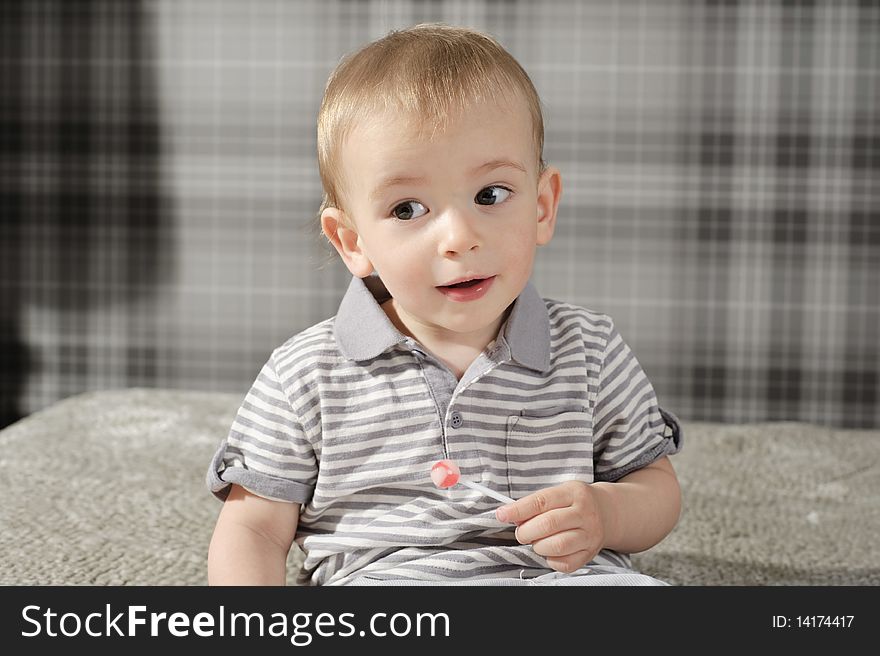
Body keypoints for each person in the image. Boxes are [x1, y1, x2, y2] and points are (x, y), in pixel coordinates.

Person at [206, 23, 683, 586]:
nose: (458, 236)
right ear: (352, 242)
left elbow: (656, 487)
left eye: (490, 195)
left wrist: (606, 513)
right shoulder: (304, 375)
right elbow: (254, 530)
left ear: (542, 206)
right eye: (408, 209)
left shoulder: (589, 350)